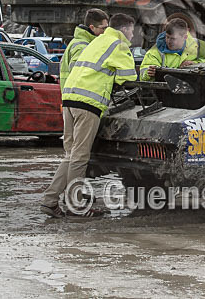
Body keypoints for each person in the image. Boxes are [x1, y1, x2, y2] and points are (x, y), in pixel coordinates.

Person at [40, 13, 138, 218]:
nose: (133, 35)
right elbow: (129, 77)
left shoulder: (97, 40)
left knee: (71, 155)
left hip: (69, 99)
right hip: (88, 103)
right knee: (79, 157)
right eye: (132, 30)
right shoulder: (118, 45)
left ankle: (50, 201)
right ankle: (76, 205)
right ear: (125, 29)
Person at [140, 18, 205, 80]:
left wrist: (196, 64)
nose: (168, 41)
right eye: (167, 37)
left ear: (185, 37)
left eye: (173, 39)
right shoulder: (155, 51)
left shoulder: (200, 46)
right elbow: (143, 74)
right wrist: (148, 73)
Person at [59, 8, 109, 90]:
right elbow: (78, 75)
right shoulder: (82, 47)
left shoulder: (82, 42)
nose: (105, 32)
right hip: (77, 96)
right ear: (92, 27)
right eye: (103, 28)